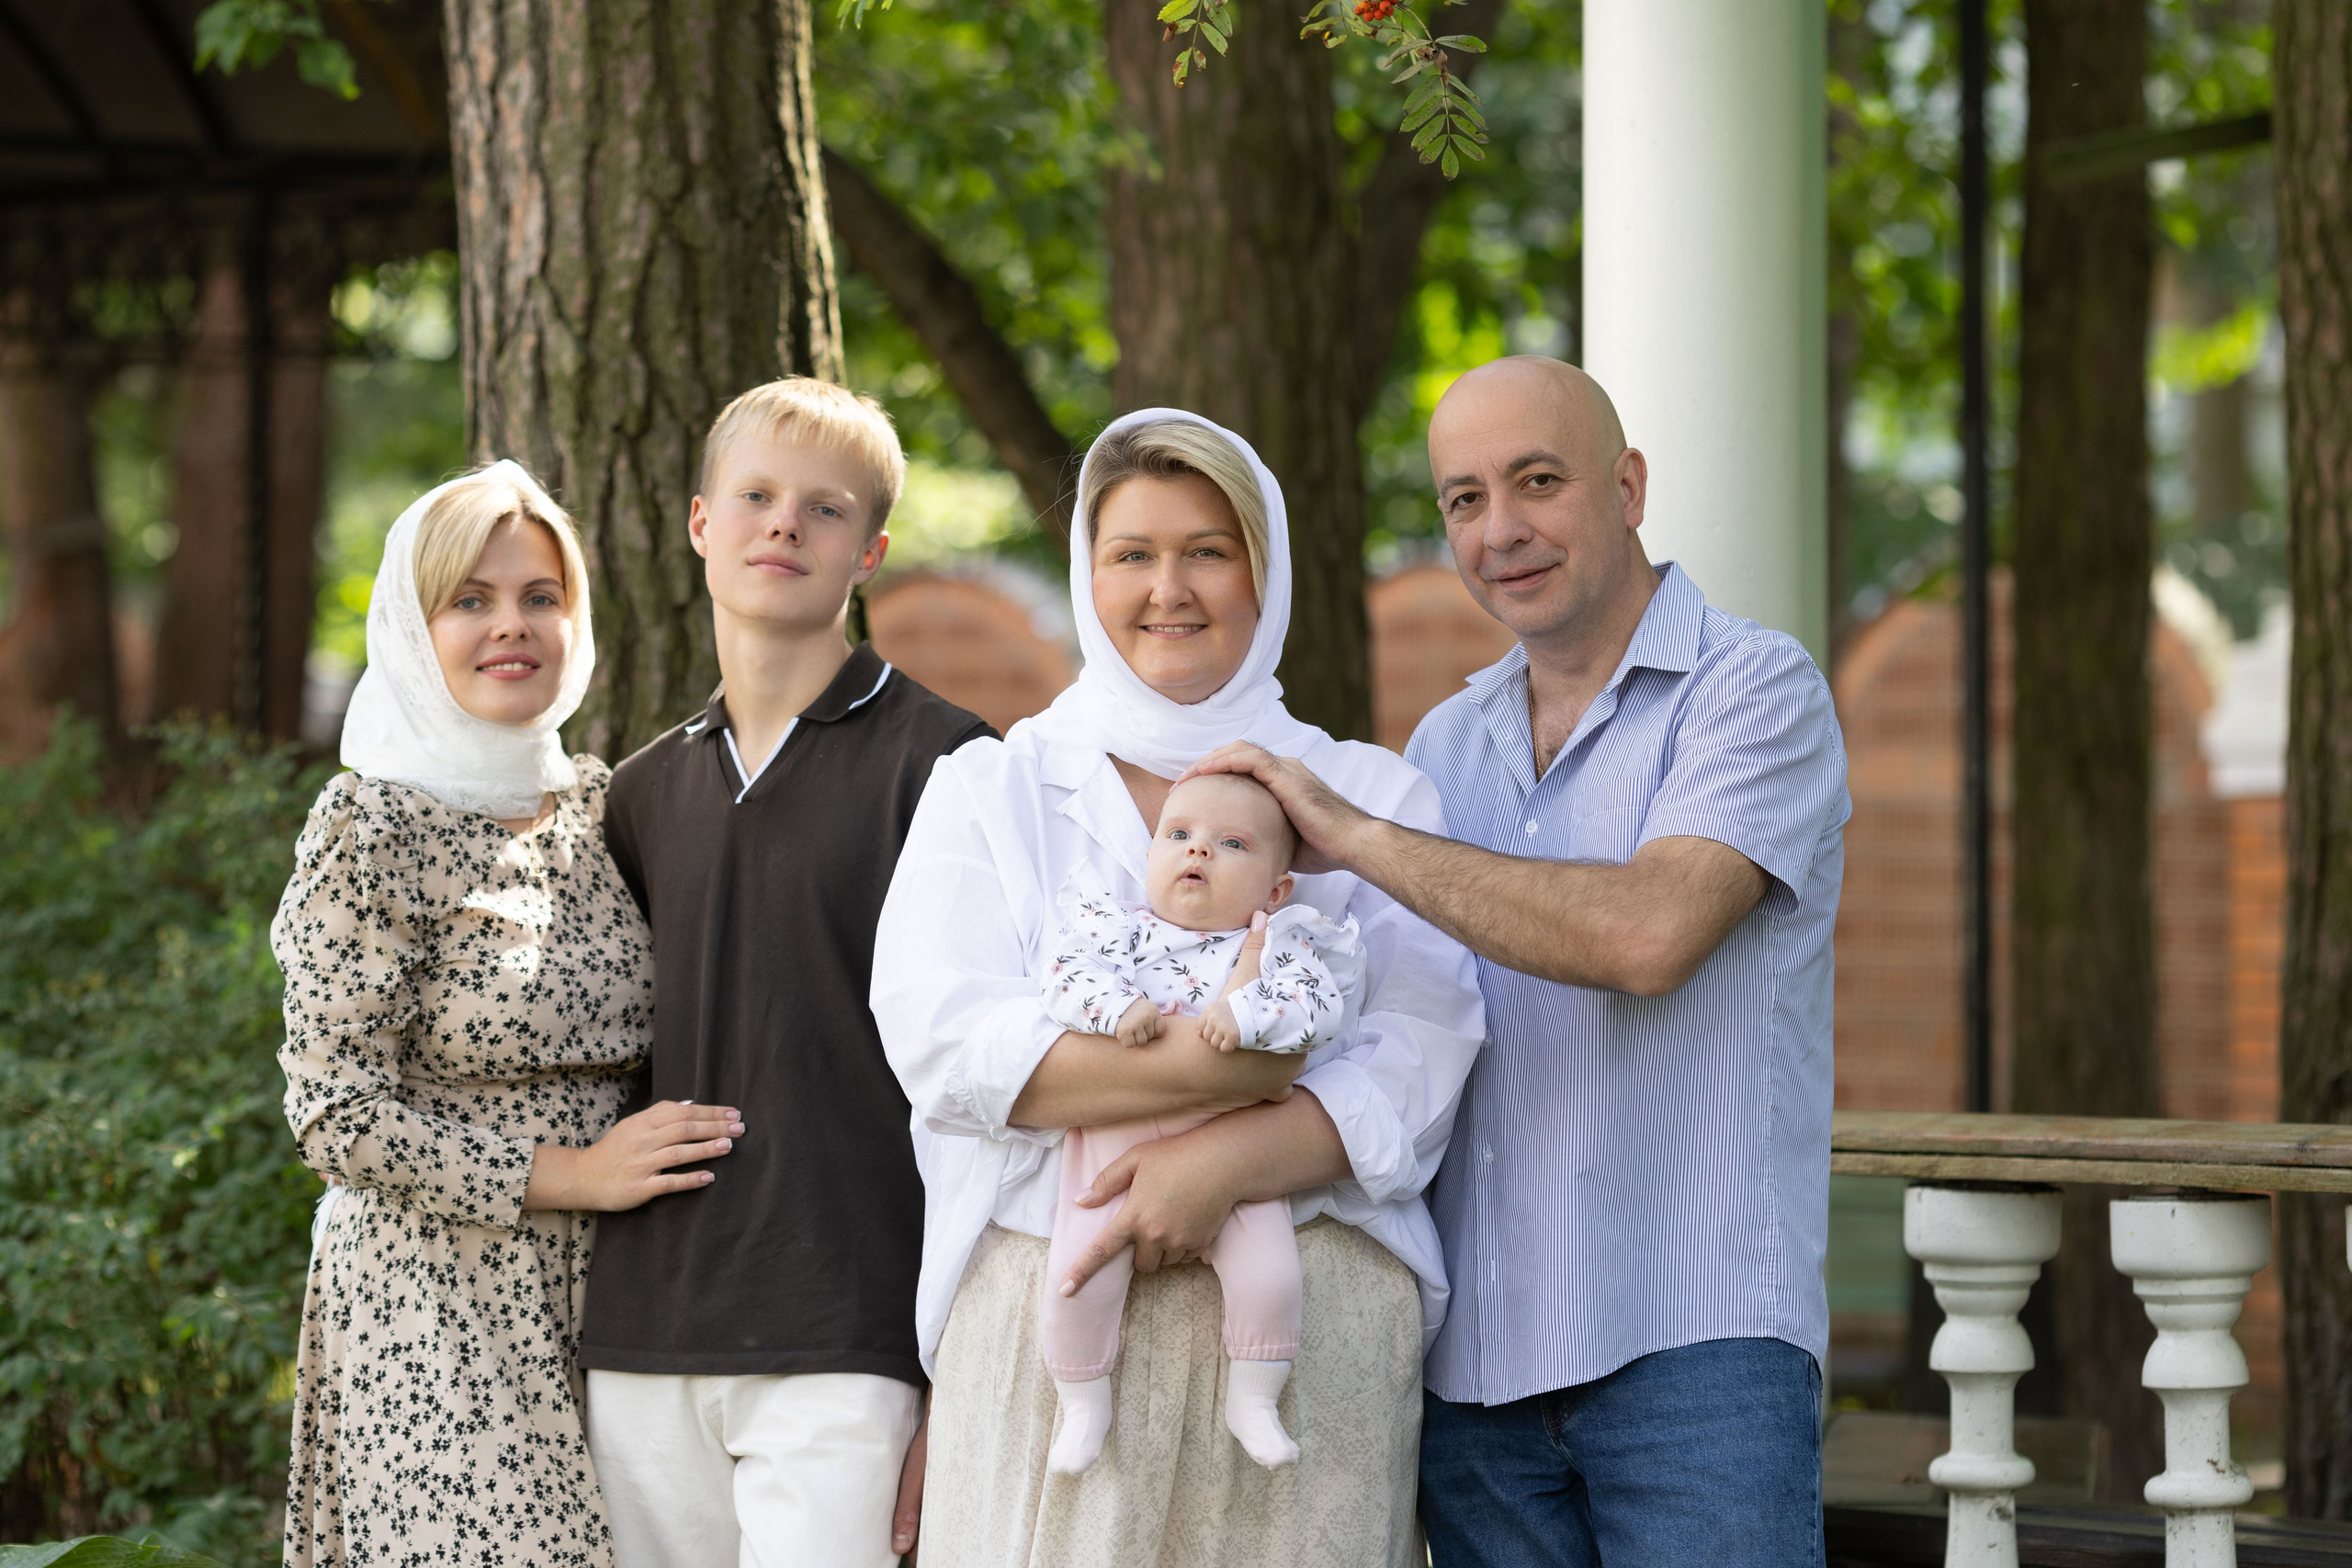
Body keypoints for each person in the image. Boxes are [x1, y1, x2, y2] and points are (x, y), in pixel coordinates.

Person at [1191, 356, 1850, 1566]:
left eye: (1538, 481)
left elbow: (1648, 934)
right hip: (1474, 1377)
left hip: (1695, 1351)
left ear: (1629, 484)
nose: (1502, 530)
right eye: (1463, 498)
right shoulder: (1450, 739)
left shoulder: (1754, 688)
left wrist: (1359, 834)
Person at [871, 410, 1485, 1568]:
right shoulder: (989, 788)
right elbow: (948, 1045)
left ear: (1268, 569)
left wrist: (1224, 1164)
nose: (1170, 589)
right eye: (1132, 554)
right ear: (1085, 572)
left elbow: (1422, 1053)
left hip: (1312, 1343)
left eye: (1208, 549)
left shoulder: (1371, 798)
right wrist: (1232, 1068)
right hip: (1049, 1325)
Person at [275, 462, 741, 1568]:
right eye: (470, 601)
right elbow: (333, 1114)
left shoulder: (597, 805)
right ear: (411, 621)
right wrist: (570, 1175)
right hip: (432, 1297)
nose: (511, 626)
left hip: (619, 1291)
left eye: (540, 597)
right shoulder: (370, 827)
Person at [573, 378, 992, 1568]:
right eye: (755, 496)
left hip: (848, 1325)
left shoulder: (950, 764)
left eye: (823, 508)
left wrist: (953, 1368)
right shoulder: (640, 793)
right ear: (701, 521)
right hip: (647, 1330)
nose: (783, 526)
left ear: (871, 548)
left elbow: (989, 1093)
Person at [1036, 771, 1365, 1475]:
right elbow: (1062, 979)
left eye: (1232, 843)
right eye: (1179, 834)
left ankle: (1254, 1397)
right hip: (1115, 1132)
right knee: (1074, 1274)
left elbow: (1317, 1012)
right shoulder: (1118, 930)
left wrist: (1246, 1013)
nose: (1199, 852)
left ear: (1275, 890)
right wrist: (1114, 1008)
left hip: (1230, 1139)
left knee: (1272, 1275)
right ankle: (1082, 1402)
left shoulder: (1279, 948)